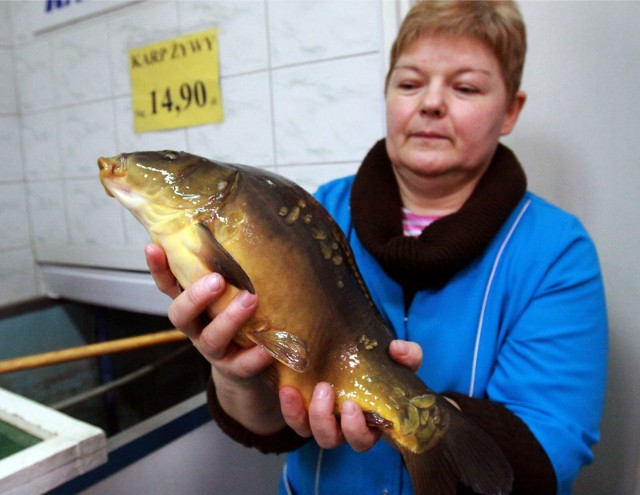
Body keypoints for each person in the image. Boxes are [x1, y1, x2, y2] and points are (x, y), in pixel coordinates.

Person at [145, 1, 608, 494]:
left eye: (465, 87)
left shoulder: (558, 251)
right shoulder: (313, 218)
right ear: (387, 92)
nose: (431, 103)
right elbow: (268, 420)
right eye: (409, 83)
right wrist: (236, 378)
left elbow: (549, 449)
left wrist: (398, 409)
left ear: (511, 110)